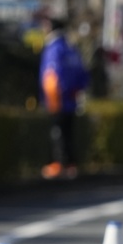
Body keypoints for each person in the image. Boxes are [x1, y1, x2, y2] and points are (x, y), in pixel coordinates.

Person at [38, 15, 89, 180]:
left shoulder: (54, 48)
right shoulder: (70, 48)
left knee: (57, 132)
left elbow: (51, 75)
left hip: (57, 99)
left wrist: (52, 98)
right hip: (72, 99)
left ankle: (58, 164)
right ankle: (70, 165)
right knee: (68, 132)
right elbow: (83, 74)